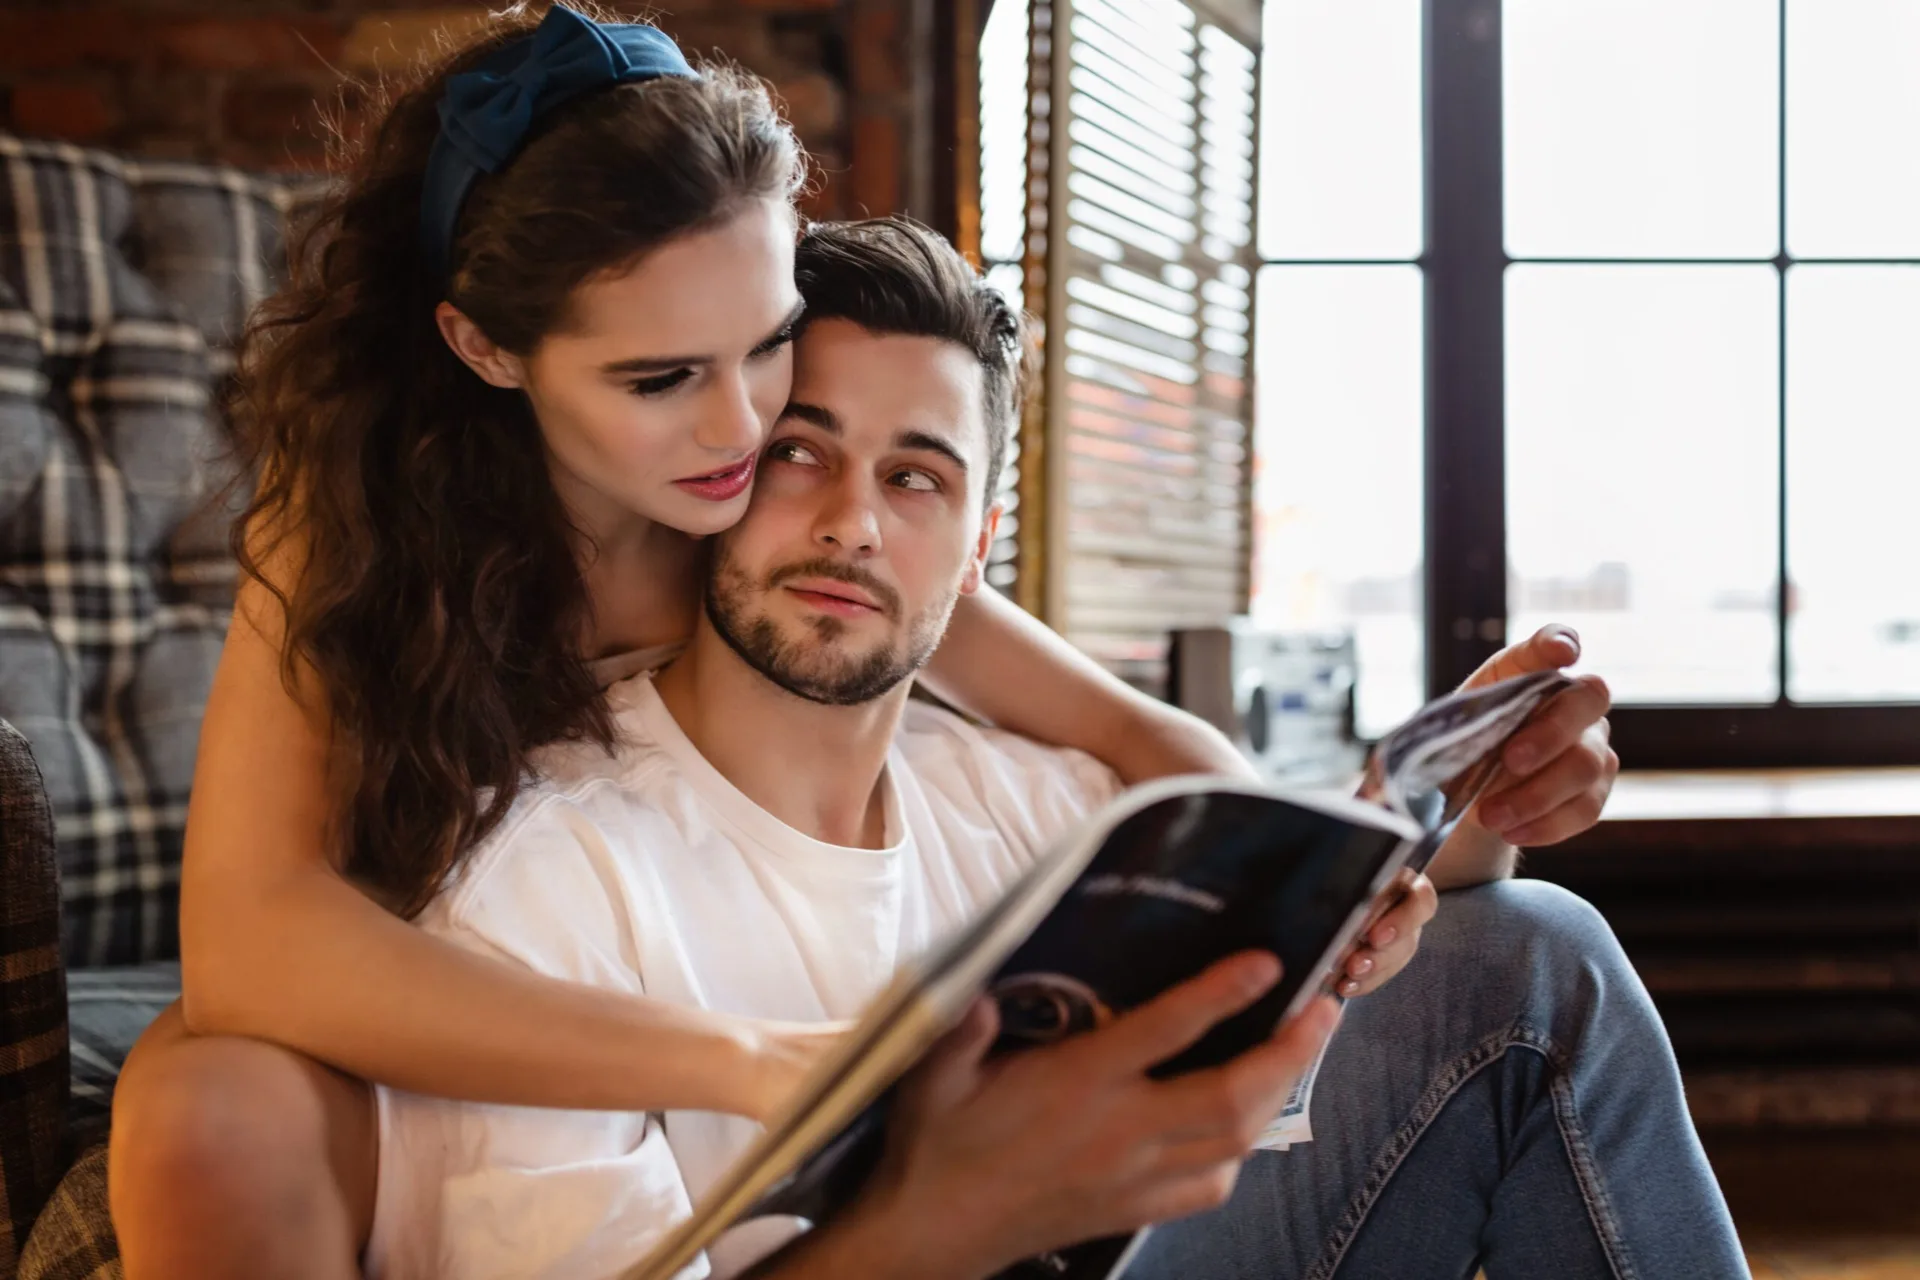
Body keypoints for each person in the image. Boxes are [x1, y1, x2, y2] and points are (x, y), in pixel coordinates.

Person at [105, 8, 1624, 1278]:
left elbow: (1134, 737)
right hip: (406, 963)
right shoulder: (360, 521)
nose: (739, 426)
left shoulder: (782, 513)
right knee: (204, 1111)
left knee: (1532, 950)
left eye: (767, 343)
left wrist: (1356, 873)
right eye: (662, 378)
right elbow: (255, 945)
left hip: (684, 923)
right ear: (486, 348)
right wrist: (747, 1060)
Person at [362, 216, 1744, 1280]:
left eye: (915, 477)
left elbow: (1310, 1053)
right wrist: (944, 1222)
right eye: (800, 452)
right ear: (716, 471)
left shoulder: (1061, 815)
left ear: (977, 549)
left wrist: (1482, 811)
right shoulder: (545, 877)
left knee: (1532, 953)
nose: (852, 523)